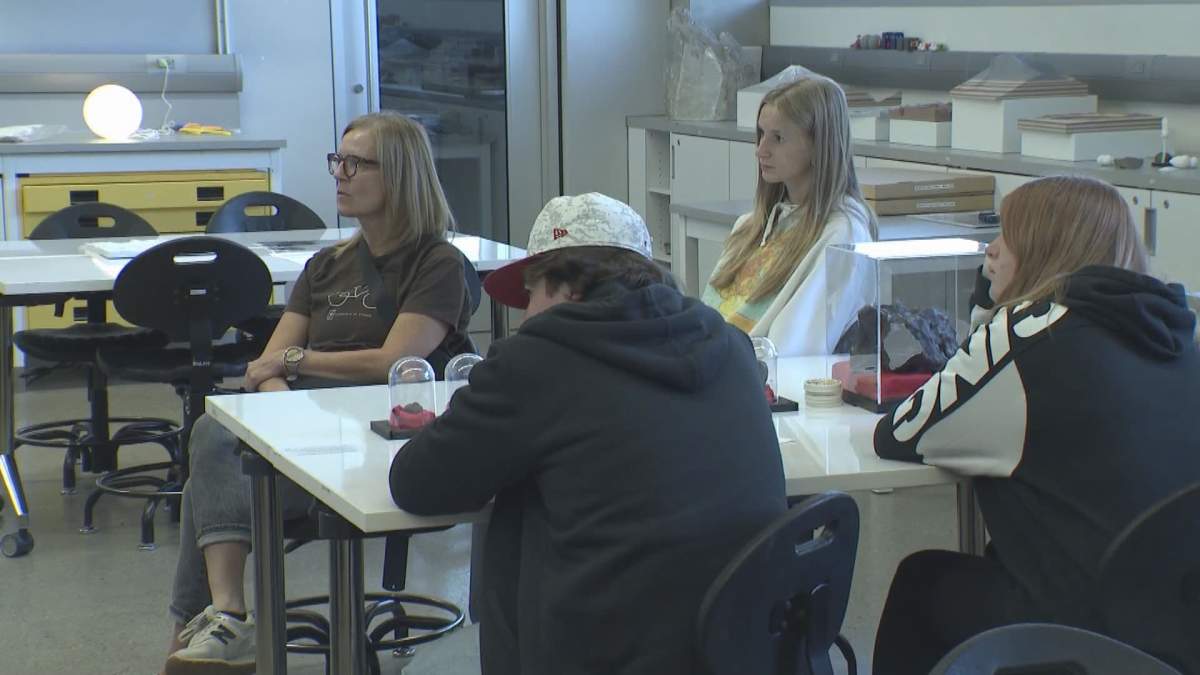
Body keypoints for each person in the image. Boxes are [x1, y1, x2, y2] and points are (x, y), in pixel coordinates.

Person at [388, 192, 787, 675]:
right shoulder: (731, 346)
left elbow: (418, 481)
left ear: (570, 286)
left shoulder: (538, 361)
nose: (525, 315)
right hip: (743, 648)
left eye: (531, 293)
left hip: (603, 651)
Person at [162, 110, 473, 675]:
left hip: (384, 452)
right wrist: (285, 397)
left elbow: (392, 363)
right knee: (215, 451)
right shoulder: (325, 265)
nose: (340, 173)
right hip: (310, 443)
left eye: (356, 163)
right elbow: (265, 366)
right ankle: (223, 619)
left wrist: (296, 365)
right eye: (338, 160)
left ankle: (211, 624)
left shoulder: (438, 264)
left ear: (400, 175)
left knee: (204, 479)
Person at [871, 175, 1200, 674]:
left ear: (1045, 249)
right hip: (1177, 623)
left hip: (1079, 627)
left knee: (922, 581)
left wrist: (989, 309)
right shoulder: (1177, 335)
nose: (993, 249)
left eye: (1008, 236)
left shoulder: (1031, 335)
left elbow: (900, 432)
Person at [702, 77, 877, 356]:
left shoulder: (843, 235)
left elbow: (797, 344)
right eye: (761, 134)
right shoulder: (749, 227)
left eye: (778, 138)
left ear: (819, 145)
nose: (761, 150)